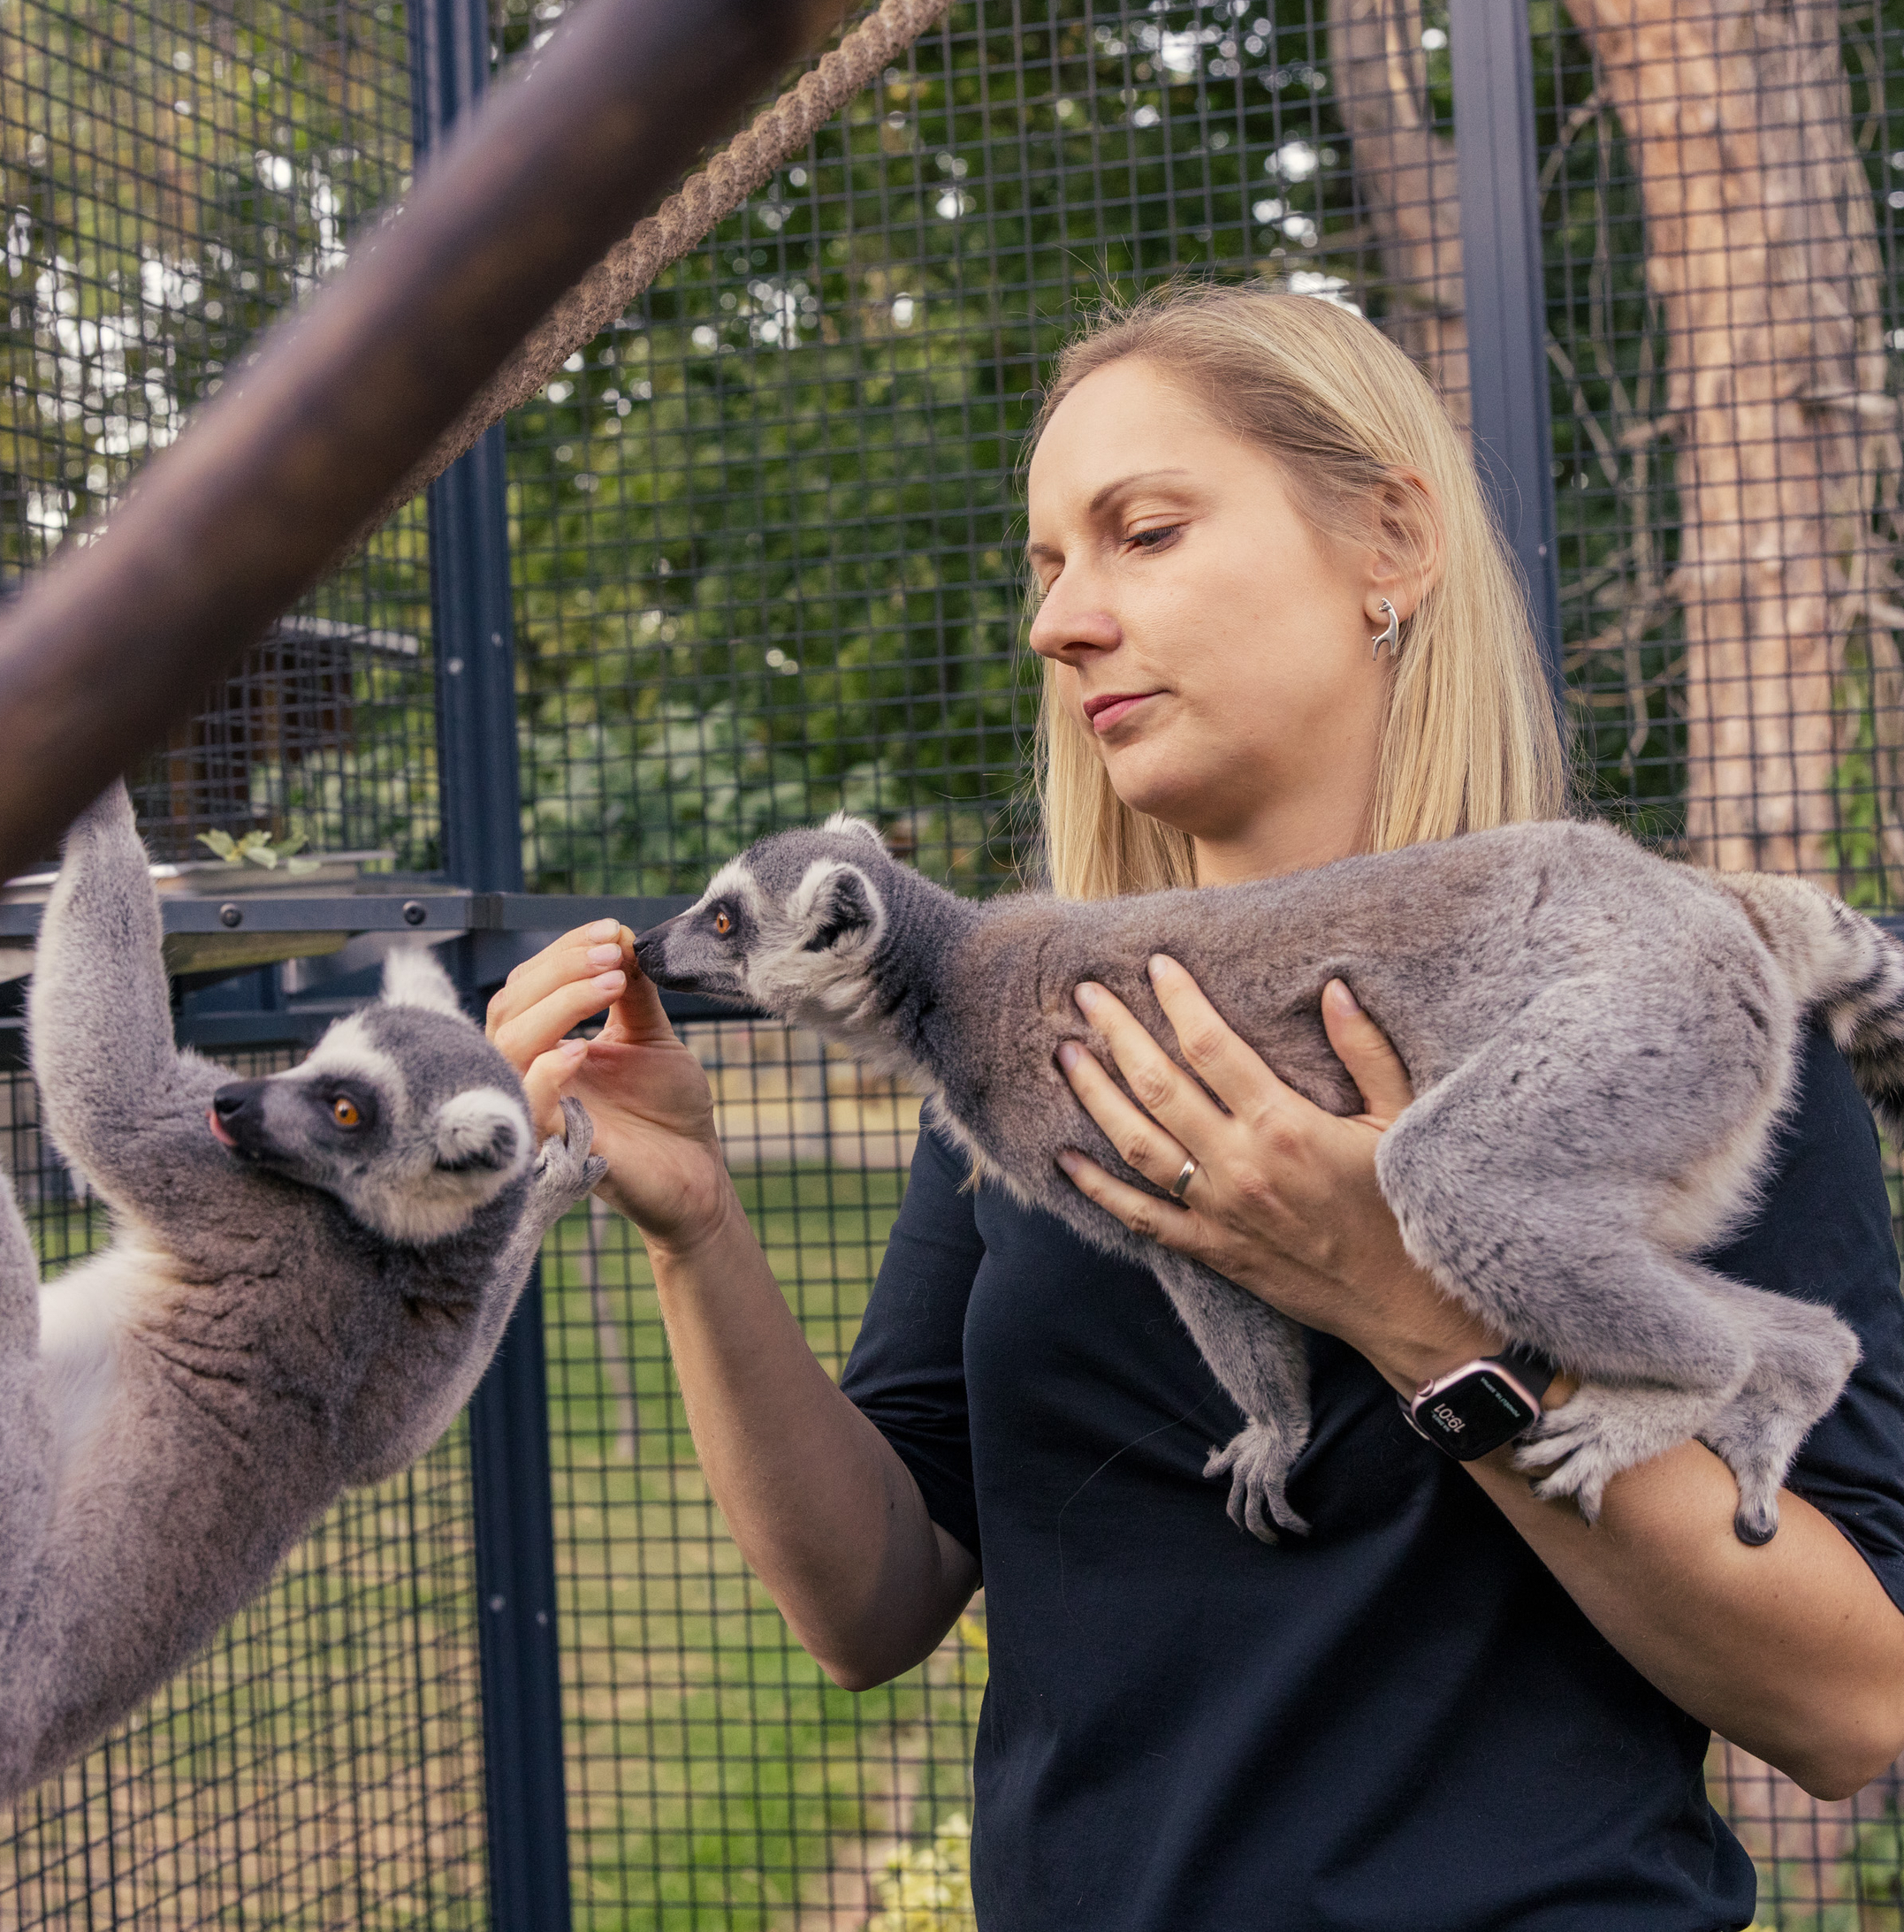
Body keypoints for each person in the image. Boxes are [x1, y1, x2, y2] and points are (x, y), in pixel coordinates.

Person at [487, 285, 1904, 1929]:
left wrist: (1407, 1310)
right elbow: (869, 1602)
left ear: (1391, 545)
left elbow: (1852, 1705)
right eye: (1046, 568)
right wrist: (697, 1224)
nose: (1062, 621)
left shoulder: (1656, 987)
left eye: (1141, 534)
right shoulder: (1045, 1047)